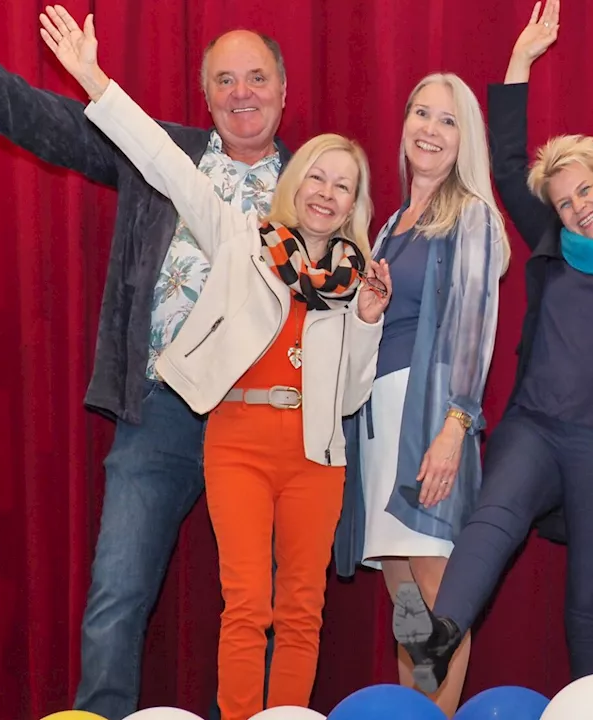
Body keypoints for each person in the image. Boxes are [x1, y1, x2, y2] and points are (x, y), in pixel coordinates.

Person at [0, 2, 292, 717]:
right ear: (206, 95)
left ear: (283, 90)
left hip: (259, 419)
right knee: (117, 592)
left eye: (256, 78)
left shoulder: (318, 183)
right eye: (225, 80)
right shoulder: (162, 149)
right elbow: (67, 129)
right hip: (162, 411)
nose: (242, 94)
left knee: (259, 605)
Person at [36, 8, 390, 717]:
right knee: (228, 603)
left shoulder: (356, 280)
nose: (324, 192)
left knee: (299, 613)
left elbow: (349, 395)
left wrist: (370, 322)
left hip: (310, 453)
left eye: (341, 185)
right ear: (297, 186)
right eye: (315, 179)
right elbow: (166, 164)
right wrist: (93, 80)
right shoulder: (246, 237)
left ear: (355, 204)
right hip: (225, 429)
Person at [391, 2, 593, 693]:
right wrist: (519, 63)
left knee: (589, 610)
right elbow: (507, 162)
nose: (577, 208)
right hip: (537, 427)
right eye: (564, 202)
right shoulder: (553, 243)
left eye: (585, 191)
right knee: (495, 517)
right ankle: (439, 638)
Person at [332, 71, 508, 717]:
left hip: (431, 419)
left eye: (447, 119)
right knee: (406, 598)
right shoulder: (388, 227)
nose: (429, 130)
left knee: (440, 595)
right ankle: (415, 708)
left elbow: (473, 328)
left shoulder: (472, 216)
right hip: (382, 424)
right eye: (421, 114)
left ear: (466, 140)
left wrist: (455, 427)